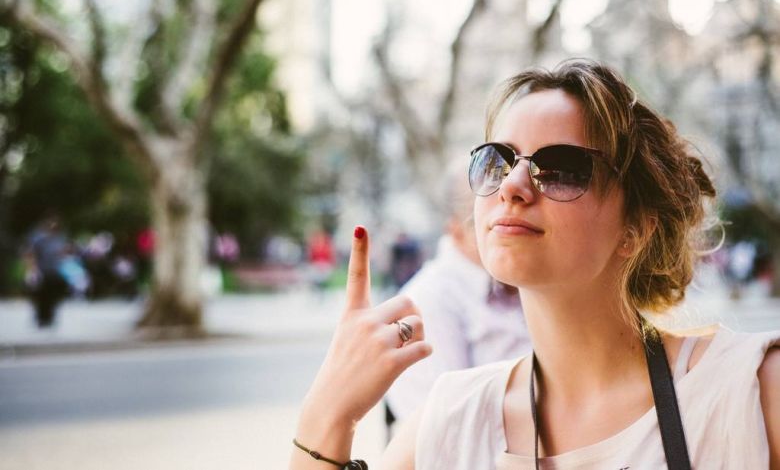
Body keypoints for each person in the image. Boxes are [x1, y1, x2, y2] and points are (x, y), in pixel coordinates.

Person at [290, 60, 780, 470]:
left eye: (561, 169)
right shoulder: (451, 424)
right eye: (497, 161)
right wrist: (329, 413)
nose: (512, 185)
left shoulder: (749, 394)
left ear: (636, 228)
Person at [384, 159, 531, 424]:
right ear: (454, 230)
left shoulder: (523, 277)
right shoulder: (426, 302)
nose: (508, 220)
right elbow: (445, 432)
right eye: (485, 219)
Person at [23, 214, 70, 327]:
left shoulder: (60, 238)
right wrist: (33, 268)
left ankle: (50, 317)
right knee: (41, 296)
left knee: (54, 295)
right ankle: (41, 318)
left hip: (54, 271)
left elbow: (62, 253)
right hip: (42, 271)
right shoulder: (39, 239)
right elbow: (30, 253)